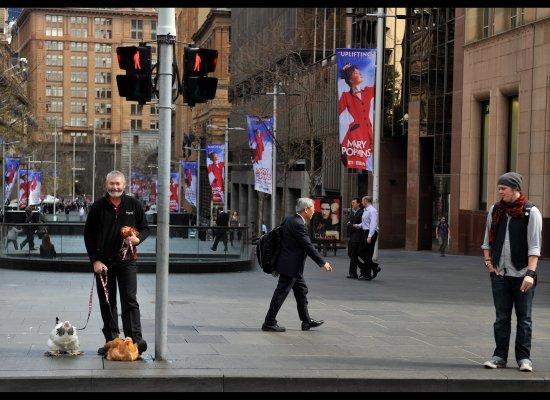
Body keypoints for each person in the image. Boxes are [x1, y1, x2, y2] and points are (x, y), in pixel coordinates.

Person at [481, 172, 542, 372]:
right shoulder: (496, 210)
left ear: (515, 188)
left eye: (503, 188)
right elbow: (486, 241)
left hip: (523, 273)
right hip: (499, 273)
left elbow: (534, 247)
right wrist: (489, 263)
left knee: (524, 318)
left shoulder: (530, 212)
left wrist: (530, 274)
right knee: (501, 318)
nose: (500, 192)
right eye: (499, 188)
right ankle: (499, 356)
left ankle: (524, 359)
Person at [84, 170, 150, 357]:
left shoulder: (134, 204)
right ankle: (111, 341)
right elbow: (88, 235)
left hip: (127, 261)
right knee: (107, 302)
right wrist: (95, 261)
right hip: (103, 263)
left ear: (124, 185)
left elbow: (145, 229)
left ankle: (134, 341)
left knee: (130, 300)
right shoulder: (97, 207)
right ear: (106, 184)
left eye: (118, 184)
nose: (115, 187)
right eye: (112, 184)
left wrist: (138, 239)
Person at [262, 198, 333, 332]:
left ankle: (306, 321)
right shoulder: (298, 224)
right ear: (306, 209)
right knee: (281, 293)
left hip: (291, 265)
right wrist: (322, 262)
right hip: (290, 267)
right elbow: (307, 246)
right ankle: (269, 322)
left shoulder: (289, 219)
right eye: (312, 208)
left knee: (301, 291)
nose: (314, 211)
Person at [338, 63, 375, 169]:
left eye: (359, 71)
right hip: (356, 132)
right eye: (355, 72)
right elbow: (338, 111)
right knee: (355, 158)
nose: (360, 73)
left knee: (370, 157)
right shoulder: (346, 96)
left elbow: (380, 86)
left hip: (369, 130)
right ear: (350, 80)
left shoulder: (368, 90)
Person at [354, 196, 380, 280]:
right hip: (365, 232)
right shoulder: (366, 210)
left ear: (366, 201)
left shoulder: (372, 211)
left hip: (370, 233)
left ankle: (368, 274)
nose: (361, 203)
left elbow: (373, 224)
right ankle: (373, 267)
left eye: (362, 201)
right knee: (362, 252)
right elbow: (365, 222)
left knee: (366, 253)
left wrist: (370, 236)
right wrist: (358, 225)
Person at [346, 197, 364, 279]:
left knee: (353, 255)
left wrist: (351, 224)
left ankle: (353, 273)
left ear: (358, 203)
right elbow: (350, 223)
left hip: (357, 236)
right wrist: (351, 224)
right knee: (350, 254)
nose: (352, 204)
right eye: (352, 202)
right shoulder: (352, 212)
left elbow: (354, 224)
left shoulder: (361, 212)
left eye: (353, 202)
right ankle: (362, 267)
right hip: (351, 236)